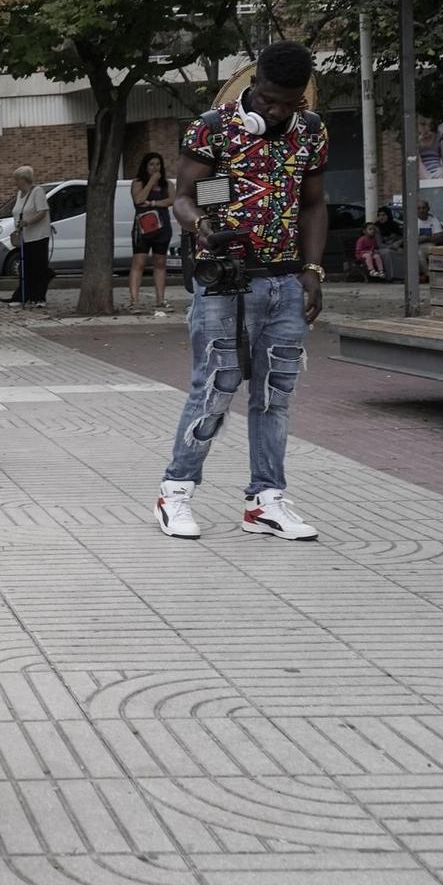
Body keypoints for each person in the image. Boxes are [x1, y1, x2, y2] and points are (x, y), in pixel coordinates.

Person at [156, 40, 327, 543]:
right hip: (225, 281)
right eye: (270, 100)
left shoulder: (310, 133)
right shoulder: (211, 128)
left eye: (290, 104)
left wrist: (313, 269)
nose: (278, 112)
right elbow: (184, 198)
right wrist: (205, 227)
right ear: (253, 85)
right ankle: (176, 491)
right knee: (214, 388)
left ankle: (265, 500)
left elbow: (312, 203)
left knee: (275, 396)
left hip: (286, 280)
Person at [129, 152, 174, 313]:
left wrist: (154, 202)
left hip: (162, 227)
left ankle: (160, 300)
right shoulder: (138, 183)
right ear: (145, 166)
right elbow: (139, 200)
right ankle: (134, 301)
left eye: (158, 164)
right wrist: (151, 182)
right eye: (151, 164)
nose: (155, 167)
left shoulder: (167, 184)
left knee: (160, 263)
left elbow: (171, 200)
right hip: (143, 228)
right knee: (139, 262)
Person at [8, 168, 52, 307]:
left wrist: (27, 222)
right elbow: (17, 212)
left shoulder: (37, 192)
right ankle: (24, 296)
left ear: (24, 179)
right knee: (26, 267)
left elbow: (42, 212)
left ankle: (39, 297)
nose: (15, 182)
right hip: (25, 236)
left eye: (16, 179)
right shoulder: (19, 194)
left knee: (38, 266)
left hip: (38, 235)